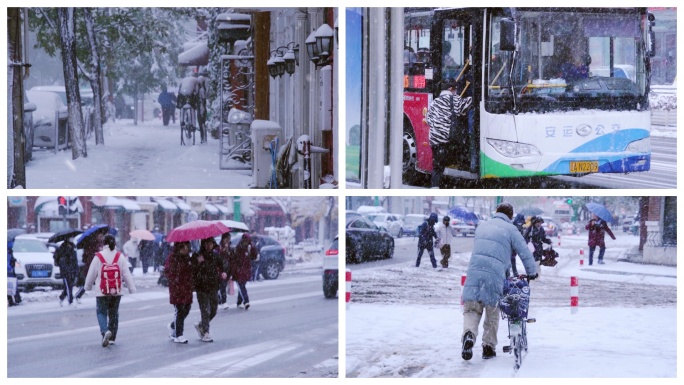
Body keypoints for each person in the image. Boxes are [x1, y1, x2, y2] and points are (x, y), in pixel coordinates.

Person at [461, 203, 537, 361]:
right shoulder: (511, 229)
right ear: (510, 216)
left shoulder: (482, 226)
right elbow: (524, 252)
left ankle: (469, 335)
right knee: (492, 310)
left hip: (473, 273)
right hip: (494, 276)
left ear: (496, 212)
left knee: (471, 310)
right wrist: (532, 272)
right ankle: (488, 346)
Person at [84, 235, 136, 347]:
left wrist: (87, 287)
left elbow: (91, 273)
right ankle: (112, 338)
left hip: (102, 291)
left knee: (101, 312)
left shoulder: (98, 257)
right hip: (116, 291)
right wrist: (131, 288)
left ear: (104, 244)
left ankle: (105, 331)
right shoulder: (119, 256)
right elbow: (126, 273)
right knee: (113, 313)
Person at [425, 77, 473, 188]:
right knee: (462, 154)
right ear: (451, 89)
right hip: (447, 140)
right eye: (455, 89)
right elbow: (464, 106)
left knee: (437, 167)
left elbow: (429, 120)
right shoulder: (454, 99)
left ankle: (435, 187)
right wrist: (476, 95)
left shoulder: (434, 102)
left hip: (435, 140)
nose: (456, 91)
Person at [192, 237, 226, 342]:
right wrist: (197, 262)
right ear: (203, 244)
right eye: (206, 243)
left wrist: (224, 272)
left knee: (214, 309)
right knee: (205, 310)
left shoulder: (215, 256)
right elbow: (191, 269)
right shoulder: (197, 255)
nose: (208, 246)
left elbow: (223, 265)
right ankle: (206, 332)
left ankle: (201, 325)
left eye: (210, 244)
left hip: (213, 286)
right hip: (201, 287)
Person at [165, 241, 193, 344]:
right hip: (177, 288)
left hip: (187, 287)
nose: (186, 249)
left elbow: (190, 270)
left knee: (187, 308)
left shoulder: (187, 258)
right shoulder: (173, 258)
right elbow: (169, 272)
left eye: (187, 247)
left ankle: (173, 326)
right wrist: (176, 279)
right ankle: (178, 334)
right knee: (180, 310)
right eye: (185, 247)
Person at [75, 228, 107, 303]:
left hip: (100, 266)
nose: (101, 237)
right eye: (100, 236)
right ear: (96, 236)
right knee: (88, 282)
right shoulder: (91, 245)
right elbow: (86, 257)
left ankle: (102, 296)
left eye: (102, 236)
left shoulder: (102, 244)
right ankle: (78, 295)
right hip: (90, 266)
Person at [230, 233, 257, 310]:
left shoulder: (249, 247)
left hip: (246, 270)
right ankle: (246, 301)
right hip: (238, 270)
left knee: (242, 286)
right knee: (242, 286)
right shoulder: (238, 248)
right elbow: (234, 260)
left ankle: (239, 302)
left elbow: (254, 257)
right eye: (244, 240)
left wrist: (253, 248)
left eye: (247, 240)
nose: (245, 242)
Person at [54, 237, 79, 307]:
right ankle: (70, 301)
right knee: (68, 286)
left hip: (72, 269)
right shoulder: (62, 248)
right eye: (70, 238)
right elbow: (57, 258)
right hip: (65, 270)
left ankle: (61, 297)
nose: (72, 239)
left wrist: (76, 269)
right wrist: (62, 263)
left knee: (69, 286)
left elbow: (75, 259)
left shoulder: (73, 247)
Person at [218, 233, 233, 310]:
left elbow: (231, 258)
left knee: (223, 285)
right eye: (226, 239)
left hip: (228, 269)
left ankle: (219, 299)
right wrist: (223, 251)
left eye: (229, 239)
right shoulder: (219, 247)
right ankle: (224, 301)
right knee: (223, 285)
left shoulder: (230, 247)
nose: (228, 240)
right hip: (221, 269)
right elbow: (218, 257)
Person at [8, 241, 21, 306]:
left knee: (10, 284)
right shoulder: (8, 250)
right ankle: (15, 299)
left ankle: (13, 299)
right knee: (11, 284)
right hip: (9, 270)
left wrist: (13, 260)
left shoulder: (9, 250)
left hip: (10, 269)